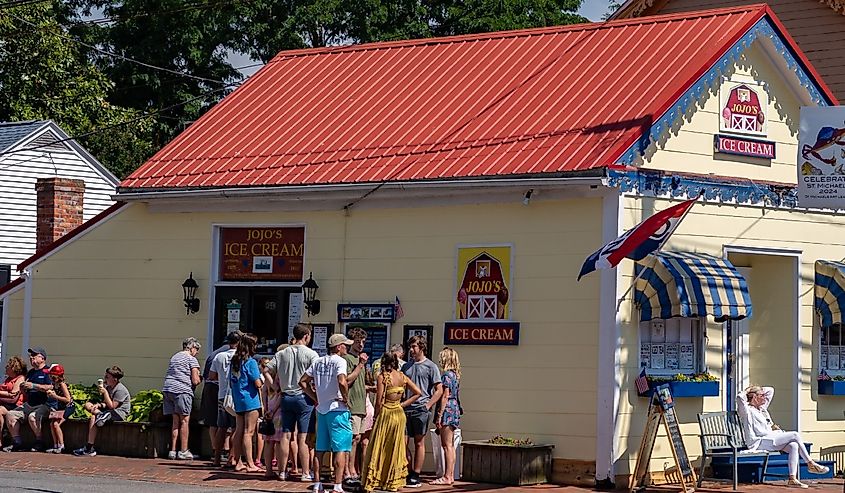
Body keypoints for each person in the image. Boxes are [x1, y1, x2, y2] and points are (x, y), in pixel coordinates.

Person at [737, 386, 830, 488]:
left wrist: (757, 389)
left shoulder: (761, 409)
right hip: (759, 441)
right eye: (761, 395)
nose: (764, 397)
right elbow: (740, 397)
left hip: (770, 438)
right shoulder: (747, 411)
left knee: (793, 445)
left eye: (764, 395)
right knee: (795, 434)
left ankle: (792, 479)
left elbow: (770, 390)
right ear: (754, 397)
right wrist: (748, 391)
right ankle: (810, 463)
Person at [299, 333, 354, 493]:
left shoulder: (318, 361)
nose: (347, 347)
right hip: (337, 409)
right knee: (340, 449)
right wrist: (346, 398)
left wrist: (316, 396)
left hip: (321, 409)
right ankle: (337, 485)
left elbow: (302, 381)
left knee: (320, 448)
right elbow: (342, 381)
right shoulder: (340, 361)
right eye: (345, 345)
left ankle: (317, 483)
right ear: (338, 347)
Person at [265, 323, 319, 482]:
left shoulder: (282, 353)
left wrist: (275, 387)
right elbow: (316, 375)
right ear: (307, 335)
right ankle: (305, 473)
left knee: (285, 436)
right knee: (302, 437)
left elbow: (266, 370)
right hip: (304, 397)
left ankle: (282, 472)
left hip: (286, 396)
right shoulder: (311, 354)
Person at [362, 351, 421, 493]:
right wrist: (403, 404)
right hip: (399, 414)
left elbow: (378, 400)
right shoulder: (402, 376)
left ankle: (378, 478)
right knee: (396, 447)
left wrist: (376, 416)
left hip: (387, 413)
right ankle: (393, 481)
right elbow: (418, 392)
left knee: (380, 445)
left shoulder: (383, 377)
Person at [401, 336, 442, 487]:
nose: (411, 350)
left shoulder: (431, 367)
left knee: (419, 442)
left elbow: (439, 390)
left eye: (414, 347)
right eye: (410, 347)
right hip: (406, 408)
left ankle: (416, 474)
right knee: (402, 442)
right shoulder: (406, 367)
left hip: (421, 409)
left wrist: (428, 405)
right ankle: (407, 470)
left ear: (422, 347)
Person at [73, 366, 132, 457]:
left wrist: (105, 393)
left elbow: (112, 406)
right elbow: (105, 403)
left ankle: (103, 415)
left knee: (104, 414)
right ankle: (89, 447)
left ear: (114, 379)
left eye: (107, 377)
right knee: (90, 408)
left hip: (119, 413)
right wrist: (99, 405)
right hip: (108, 411)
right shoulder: (109, 387)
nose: (105, 379)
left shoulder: (120, 390)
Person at [4, 347, 54, 452]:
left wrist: (34, 386)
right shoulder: (31, 373)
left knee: (32, 417)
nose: (31, 358)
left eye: (34, 356)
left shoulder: (47, 371)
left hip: (44, 404)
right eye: (31, 356)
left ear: (42, 358)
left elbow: (50, 387)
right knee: (10, 415)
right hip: (29, 404)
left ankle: (39, 441)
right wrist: (23, 389)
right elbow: (26, 389)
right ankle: (17, 442)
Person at [202, 332, 241, 463]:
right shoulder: (240, 357)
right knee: (235, 428)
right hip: (236, 396)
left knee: (221, 427)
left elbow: (211, 376)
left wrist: (223, 378)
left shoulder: (219, 356)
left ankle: (217, 457)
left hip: (222, 394)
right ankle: (232, 458)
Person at [162, 337, 201, 460]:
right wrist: (200, 378)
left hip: (168, 388)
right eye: (197, 349)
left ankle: (173, 450)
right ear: (192, 347)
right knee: (184, 421)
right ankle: (183, 450)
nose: (197, 352)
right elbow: (195, 380)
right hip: (182, 390)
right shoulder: (191, 359)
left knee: (175, 421)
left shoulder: (175, 357)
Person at [229, 333, 264, 473]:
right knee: (248, 432)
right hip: (251, 400)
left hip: (238, 399)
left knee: (239, 431)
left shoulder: (235, 361)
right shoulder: (251, 362)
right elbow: (257, 383)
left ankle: (237, 461)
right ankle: (250, 463)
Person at [342, 327, 369, 482]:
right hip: (351, 403)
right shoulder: (348, 359)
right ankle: (348, 470)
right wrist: (359, 365)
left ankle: (352, 468)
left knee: (357, 439)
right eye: (358, 342)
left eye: (363, 342)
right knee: (351, 439)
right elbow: (347, 380)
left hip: (361, 404)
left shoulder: (360, 360)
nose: (361, 345)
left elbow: (360, 382)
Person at [433, 347, 462, 485]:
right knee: (450, 445)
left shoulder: (446, 375)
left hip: (448, 409)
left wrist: (439, 415)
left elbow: (445, 395)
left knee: (446, 445)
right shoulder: (455, 376)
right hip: (455, 408)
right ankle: (450, 474)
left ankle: (447, 476)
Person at [261, 359, 283, 478]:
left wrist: (266, 408)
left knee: (268, 442)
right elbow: (281, 395)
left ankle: (268, 470)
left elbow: (263, 392)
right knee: (279, 442)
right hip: (278, 411)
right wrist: (273, 410)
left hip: (268, 410)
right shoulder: (280, 378)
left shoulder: (267, 381)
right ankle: (281, 469)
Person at [45, 364, 73, 454]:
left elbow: (68, 399)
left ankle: (61, 445)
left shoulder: (62, 384)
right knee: (52, 423)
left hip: (69, 407)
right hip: (60, 407)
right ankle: (55, 445)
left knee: (56, 424)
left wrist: (55, 396)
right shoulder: (54, 384)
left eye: (50, 375)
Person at [0, 356, 26, 449]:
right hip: (4, 403)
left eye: (8, 366)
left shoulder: (20, 379)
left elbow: (13, 395)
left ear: (14, 368)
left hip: (14, 405)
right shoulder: (8, 379)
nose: (6, 368)